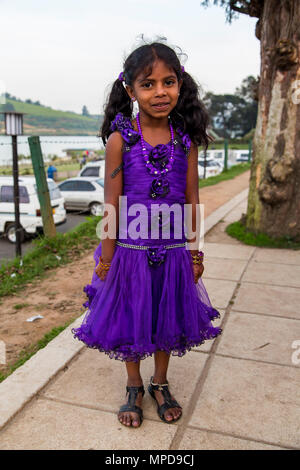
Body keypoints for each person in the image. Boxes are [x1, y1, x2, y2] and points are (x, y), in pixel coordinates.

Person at [72, 41, 222, 428]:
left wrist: (194, 253)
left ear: (180, 83)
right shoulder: (121, 140)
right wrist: (107, 258)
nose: (159, 92)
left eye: (168, 82)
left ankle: (160, 382)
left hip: (173, 252)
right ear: (130, 90)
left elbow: (191, 198)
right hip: (129, 252)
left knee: (166, 318)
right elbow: (111, 205)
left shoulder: (184, 141)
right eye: (148, 84)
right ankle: (134, 385)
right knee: (132, 319)